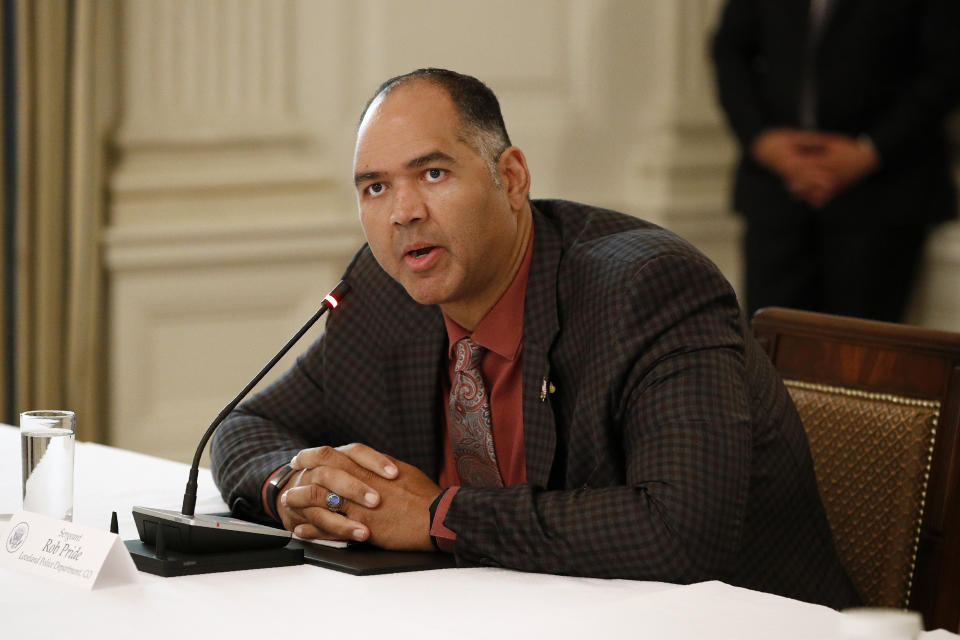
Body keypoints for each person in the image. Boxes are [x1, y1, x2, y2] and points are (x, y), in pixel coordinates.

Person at [211, 68, 859, 608]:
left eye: (432, 174)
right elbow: (244, 426)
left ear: (512, 177)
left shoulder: (647, 289)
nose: (403, 212)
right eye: (375, 187)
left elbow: (679, 532)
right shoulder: (386, 295)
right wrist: (295, 493)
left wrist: (439, 517)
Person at [711, 0, 960, 322]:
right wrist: (764, 142)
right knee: (769, 350)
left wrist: (870, 151)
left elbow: (947, 65)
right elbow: (730, 50)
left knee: (862, 357)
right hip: (778, 193)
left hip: (883, 194)